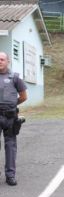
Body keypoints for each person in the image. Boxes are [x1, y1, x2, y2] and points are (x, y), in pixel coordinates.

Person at [0, 52, 27, 186]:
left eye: (2, 59)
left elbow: (23, 96)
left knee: (10, 146)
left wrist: (11, 105)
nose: (0, 61)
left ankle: (10, 175)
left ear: (8, 61)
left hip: (10, 117)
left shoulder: (15, 78)